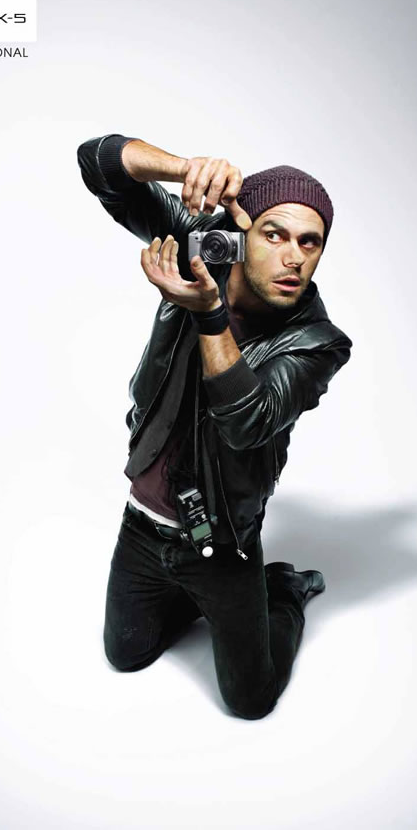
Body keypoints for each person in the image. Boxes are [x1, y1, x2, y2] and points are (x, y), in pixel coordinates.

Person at [76, 133, 353, 719]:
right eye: (274, 234)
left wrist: (209, 315)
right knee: (126, 655)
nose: (293, 257)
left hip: (223, 546)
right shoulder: (201, 247)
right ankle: (192, 598)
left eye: (310, 242)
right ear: (241, 231)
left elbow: (247, 422)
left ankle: (282, 592)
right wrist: (184, 169)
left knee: (251, 702)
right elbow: (97, 163)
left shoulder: (317, 341)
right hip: (144, 525)